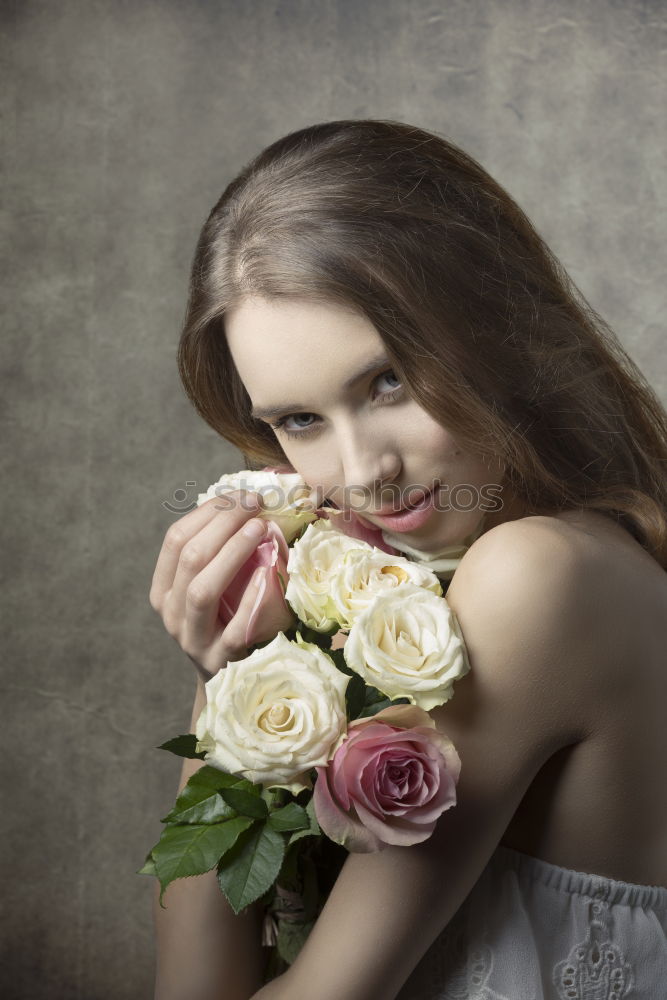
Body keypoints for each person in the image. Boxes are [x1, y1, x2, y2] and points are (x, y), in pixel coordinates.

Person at [148, 120, 667, 1000]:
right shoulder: (438, 588)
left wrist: (225, 702)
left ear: (490, 323)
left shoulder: (540, 579)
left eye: (387, 380)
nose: (362, 473)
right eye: (298, 420)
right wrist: (237, 686)